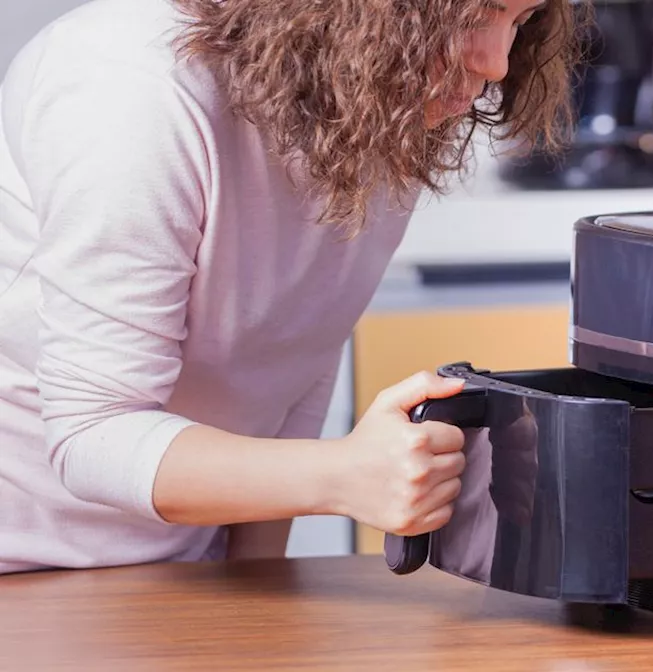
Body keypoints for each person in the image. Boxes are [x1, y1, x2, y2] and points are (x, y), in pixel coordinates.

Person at [0, 0, 581, 574]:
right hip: (25, 574)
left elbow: (292, 360)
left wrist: (255, 584)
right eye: (475, 13)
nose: (498, 63)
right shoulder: (132, 83)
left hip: (186, 573)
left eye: (521, 19)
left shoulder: (376, 102)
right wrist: (342, 476)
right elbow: (91, 434)